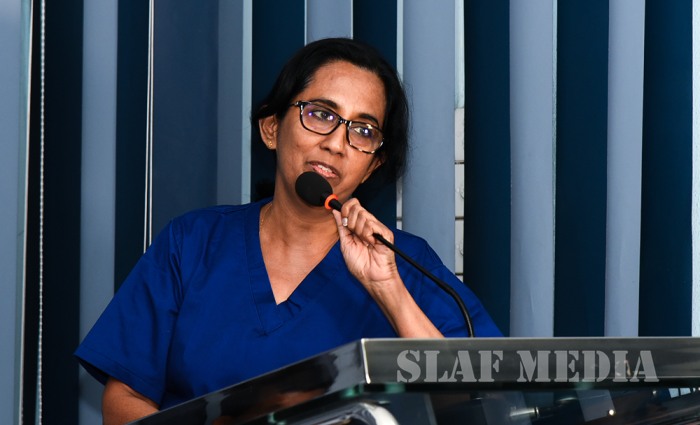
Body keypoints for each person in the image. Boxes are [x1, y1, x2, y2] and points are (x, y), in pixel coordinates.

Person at [75, 37, 501, 425]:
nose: (336, 143)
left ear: (373, 164)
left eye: (363, 130)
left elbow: (475, 398)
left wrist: (388, 290)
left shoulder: (405, 264)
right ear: (272, 128)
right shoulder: (193, 243)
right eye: (321, 114)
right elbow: (125, 397)